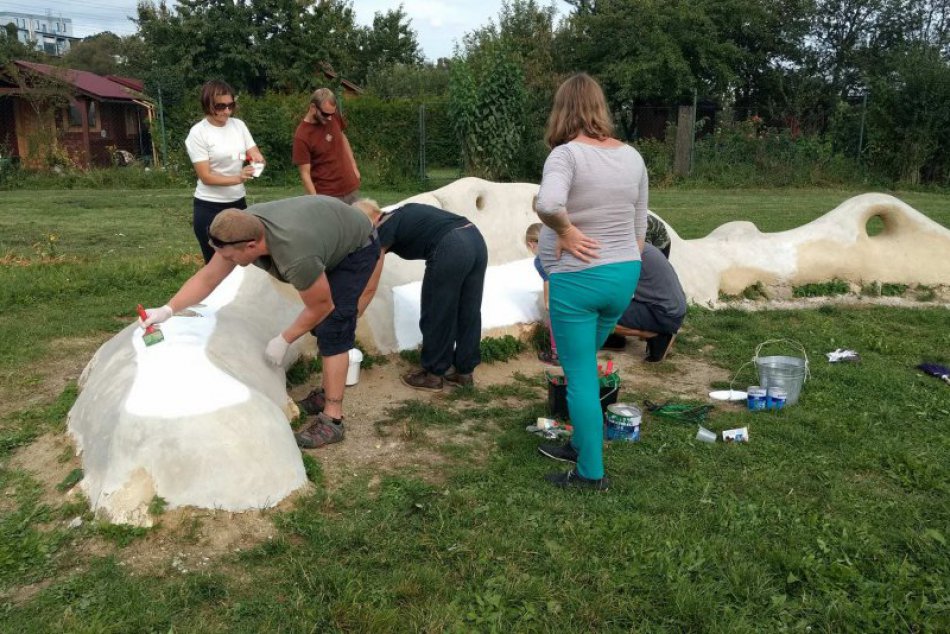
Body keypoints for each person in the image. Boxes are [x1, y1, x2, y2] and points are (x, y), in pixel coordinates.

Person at [139, 196, 380, 449]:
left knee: (333, 326)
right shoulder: (238, 227)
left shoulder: (296, 256)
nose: (226, 261)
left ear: (251, 246)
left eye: (230, 257)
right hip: (325, 233)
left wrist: (284, 339)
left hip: (357, 246)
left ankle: (333, 419)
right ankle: (326, 392)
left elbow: (322, 305)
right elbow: (209, 277)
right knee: (323, 322)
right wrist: (168, 309)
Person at [533, 73, 648, 491]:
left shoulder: (567, 155)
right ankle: (581, 442)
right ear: (599, 108)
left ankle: (590, 472)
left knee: (579, 374)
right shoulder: (632, 156)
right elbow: (640, 226)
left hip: (579, 283)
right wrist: (625, 267)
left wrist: (565, 232)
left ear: (562, 110)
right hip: (623, 276)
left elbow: (547, 203)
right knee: (586, 363)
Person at [355, 199, 488, 390]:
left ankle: (434, 375)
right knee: (469, 309)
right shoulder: (400, 213)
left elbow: (370, 283)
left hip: (451, 246)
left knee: (437, 312)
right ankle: (464, 372)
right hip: (474, 238)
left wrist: (353, 312)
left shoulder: (381, 229)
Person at [185, 80, 265, 264]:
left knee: (245, 264)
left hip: (238, 204)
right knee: (216, 267)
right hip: (209, 207)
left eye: (231, 105)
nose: (227, 111)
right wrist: (238, 177)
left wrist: (257, 163)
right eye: (220, 106)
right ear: (208, 104)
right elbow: (206, 177)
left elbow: (253, 153)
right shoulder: (198, 133)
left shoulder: (239, 126)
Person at [612, 243, 686, 362]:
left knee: (598, 314)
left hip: (664, 314)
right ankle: (614, 339)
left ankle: (655, 334)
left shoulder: (624, 253)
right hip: (672, 310)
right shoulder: (638, 246)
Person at [292, 88, 361, 203]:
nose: (329, 118)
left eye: (332, 114)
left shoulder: (333, 116)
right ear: (313, 108)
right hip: (328, 196)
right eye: (325, 114)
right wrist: (316, 201)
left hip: (351, 189)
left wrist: (354, 166)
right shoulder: (302, 136)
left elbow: (342, 137)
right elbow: (305, 174)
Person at [525, 223, 558, 365]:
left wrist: (547, 301)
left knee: (555, 323)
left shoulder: (539, 260)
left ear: (531, 244)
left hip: (557, 296)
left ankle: (556, 354)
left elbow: (547, 280)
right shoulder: (557, 251)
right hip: (573, 291)